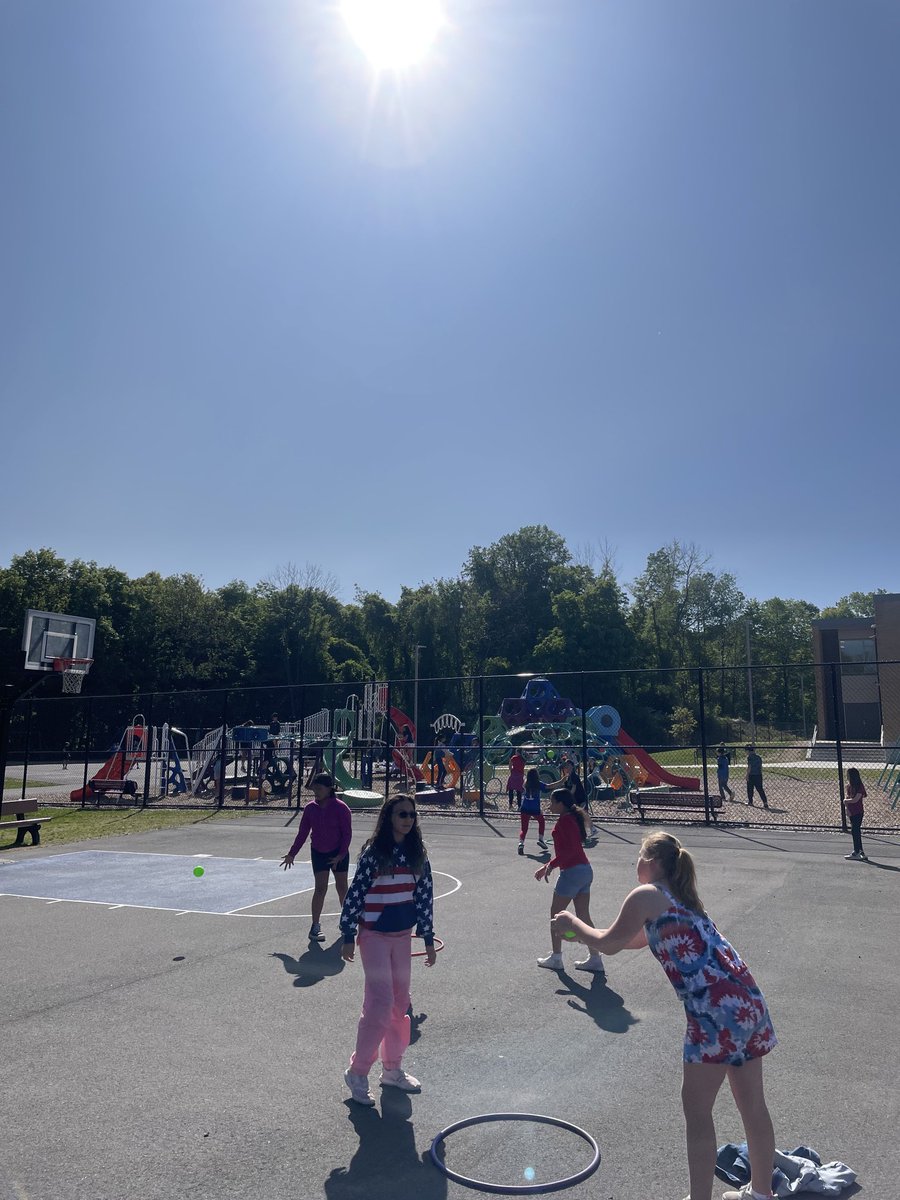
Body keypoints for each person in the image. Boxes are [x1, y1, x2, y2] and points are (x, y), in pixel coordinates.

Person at [552, 831, 778, 1200]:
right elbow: (626, 941)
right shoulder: (682, 899)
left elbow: (608, 944)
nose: (636, 864)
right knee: (752, 1104)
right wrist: (583, 936)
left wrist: (570, 923)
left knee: (698, 1111)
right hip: (747, 1001)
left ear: (653, 863)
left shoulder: (647, 895)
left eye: (639, 857)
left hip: (713, 1010)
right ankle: (762, 1193)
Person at [339, 794, 437, 1105]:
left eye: (411, 815)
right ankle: (357, 1071)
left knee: (400, 1005)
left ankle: (392, 1069)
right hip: (375, 936)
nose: (407, 819)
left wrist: (428, 937)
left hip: (401, 936)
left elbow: (424, 897)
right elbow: (356, 893)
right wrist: (346, 932)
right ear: (389, 818)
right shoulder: (375, 854)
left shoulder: (417, 855)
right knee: (380, 1005)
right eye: (401, 814)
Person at [533, 789, 604, 974]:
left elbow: (569, 852)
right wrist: (549, 865)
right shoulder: (571, 818)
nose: (549, 805)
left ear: (561, 803)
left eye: (552, 802)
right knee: (583, 916)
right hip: (584, 871)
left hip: (572, 872)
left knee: (555, 915)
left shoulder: (565, 821)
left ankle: (556, 958)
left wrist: (550, 866)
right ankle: (595, 958)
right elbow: (571, 850)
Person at [280, 772, 352, 942]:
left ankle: (347, 922)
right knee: (320, 889)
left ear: (329, 789)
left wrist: (340, 855)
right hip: (319, 852)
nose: (316, 792)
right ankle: (315, 927)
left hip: (338, 853)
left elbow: (347, 834)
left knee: (342, 888)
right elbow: (303, 833)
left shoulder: (341, 808)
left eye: (319, 789)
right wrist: (292, 853)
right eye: (314, 789)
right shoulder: (310, 809)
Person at [518, 767, 549, 855]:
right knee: (541, 821)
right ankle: (540, 838)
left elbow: (524, 783)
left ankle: (521, 843)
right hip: (534, 808)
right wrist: (561, 782)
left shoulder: (526, 783)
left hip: (525, 807)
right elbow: (549, 786)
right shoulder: (538, 784)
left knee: (524, 829)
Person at [844, 767, 868, 861]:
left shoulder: (859, 786)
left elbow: (855, 799)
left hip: (858, 812)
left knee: (855, 831)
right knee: (855, 831)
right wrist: (847, 809)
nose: (847, 776)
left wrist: (845, 801)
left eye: (848, 775)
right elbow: (848, 799)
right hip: (852, 811)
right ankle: (860, 851)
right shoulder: (849, 786)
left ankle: (856, 851)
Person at [745, 745, 769, 809]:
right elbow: (760, 767)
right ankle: (765, 802)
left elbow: (749, 767)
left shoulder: (749, 757)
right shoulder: (759, 757)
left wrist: (747, 775)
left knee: (750, 789)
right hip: (758, 774)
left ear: (748, 751)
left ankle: (750, 801)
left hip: (751, 775)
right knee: (760, 789)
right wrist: (761, 774)